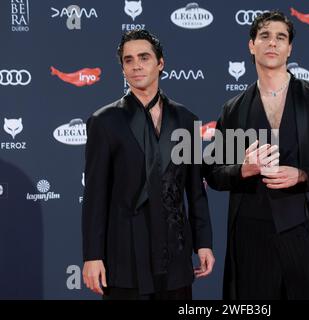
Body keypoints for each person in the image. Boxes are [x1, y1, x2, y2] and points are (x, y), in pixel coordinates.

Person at [205, 11, 309, 300]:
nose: (272, 43)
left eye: (280, 37)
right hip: (252, 238)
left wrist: (303, 174)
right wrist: (243, 169)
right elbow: (214, 173)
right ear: (252, 46)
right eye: (264, 36)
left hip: (307, 229)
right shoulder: (233, 109)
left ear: (290, 48)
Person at [82, 29, 214, 300]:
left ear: (160, 63)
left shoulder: (185, 119)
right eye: (128, 60)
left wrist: (203, 243)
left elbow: (195, 189)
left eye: (144, 57)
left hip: (175, 252)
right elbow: (95, 196)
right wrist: (93, 256)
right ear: (122, 68)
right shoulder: (105, 121)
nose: (136, 65)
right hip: (125, 254)